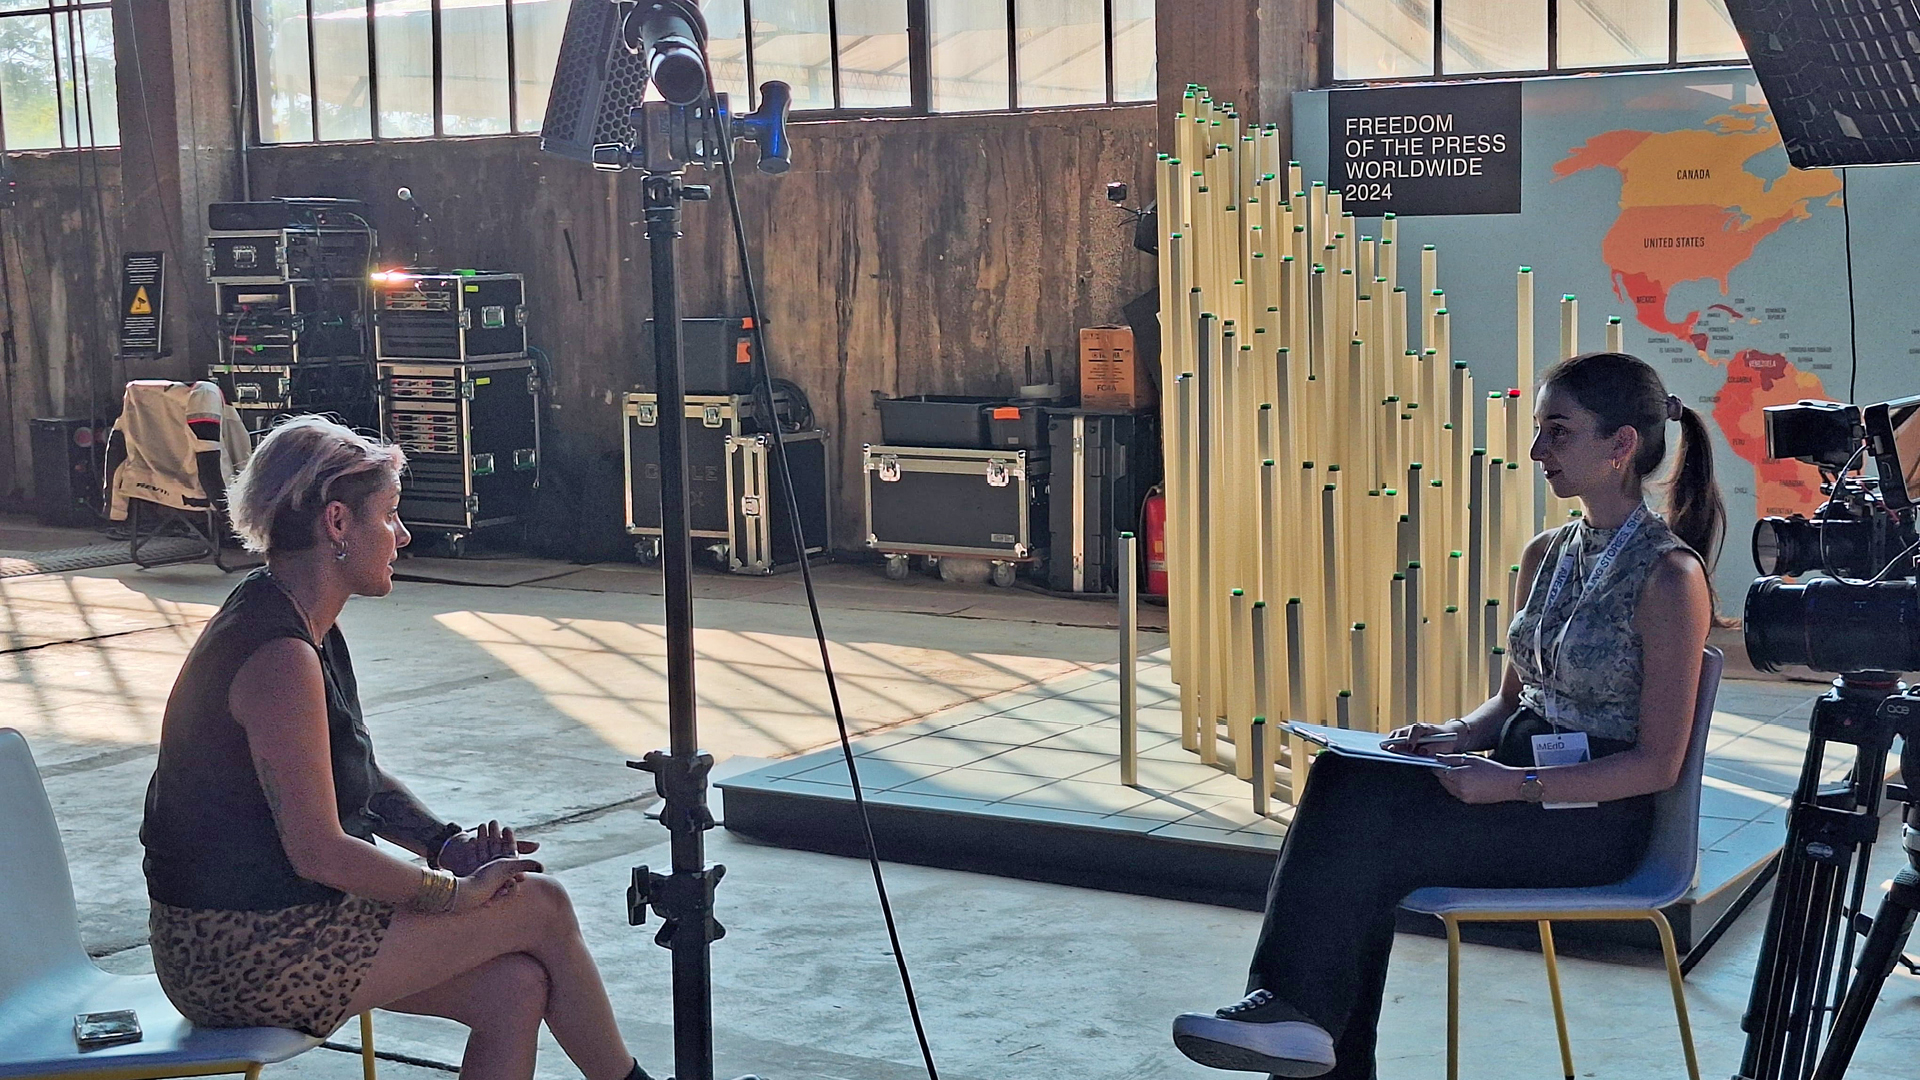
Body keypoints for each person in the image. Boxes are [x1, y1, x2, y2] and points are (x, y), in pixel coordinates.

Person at [1171, 352, 1725, 1079]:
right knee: (1346, 775)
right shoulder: (1547, 553)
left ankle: (1298, 1018)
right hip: (1519, 779)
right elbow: (1512, 698)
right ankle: (1295, 1017)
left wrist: (1512, 787)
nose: (1537, 453)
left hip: (1595, 819)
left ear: (1621, 445)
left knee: (1368, 844)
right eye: (1538, 432)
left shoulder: (1670, 577)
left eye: (1558, 433)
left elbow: (1658, 763)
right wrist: (1460, 736)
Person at [140, 416, 653, 1080]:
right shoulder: (278, 656)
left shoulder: (298, 618)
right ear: (337, 523)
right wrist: (451, 892)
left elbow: (357, 778)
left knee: (514, 988)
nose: (403, 535)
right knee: (542, 905)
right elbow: (319, 850)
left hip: (276, 922)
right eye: (390, 515)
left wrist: (443, 844)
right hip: (239, 950)